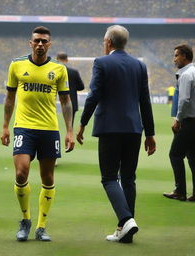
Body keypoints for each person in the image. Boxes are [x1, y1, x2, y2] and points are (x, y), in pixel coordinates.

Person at [76, 25, 156, 243]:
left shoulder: (101, 63)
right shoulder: (139, 66)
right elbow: (145, 102)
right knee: (129, 178)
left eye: (104, 41)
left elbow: (94, 96)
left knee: (110, 177)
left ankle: (126, 218)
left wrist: (82, 123)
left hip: (110, 129)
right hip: (133, 129)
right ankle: (125, 231)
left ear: (108, 42)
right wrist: (150, 133)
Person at [1, 26, 75, 242]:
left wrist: (69, 130)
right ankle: (26, 220)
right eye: (37, 41)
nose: (40, 44)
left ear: (49, 44)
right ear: (30, 43)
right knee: (21, 173)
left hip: (49, 130)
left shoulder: (59, 70)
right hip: (23, 127)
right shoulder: (16, 65)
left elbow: (66, 101)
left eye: (44, 41)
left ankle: (41, 226)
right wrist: (6, 126)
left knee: (48, 178)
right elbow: (9, 98)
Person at [163, 44, 195, 202]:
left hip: (189, 121)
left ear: (184, 56)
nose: (174, 59)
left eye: (176, 55)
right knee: (193, 156)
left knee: (175, 154)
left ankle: (180, 191)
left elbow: (184, 99)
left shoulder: (186, 75)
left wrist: (178, 119)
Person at [56, 52, 85, 126]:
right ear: (67, 60)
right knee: (69, 126)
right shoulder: (73, 72)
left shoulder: (53, 72)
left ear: (57, 59)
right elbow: (81, 87)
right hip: (71, 102)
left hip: (54, 103)